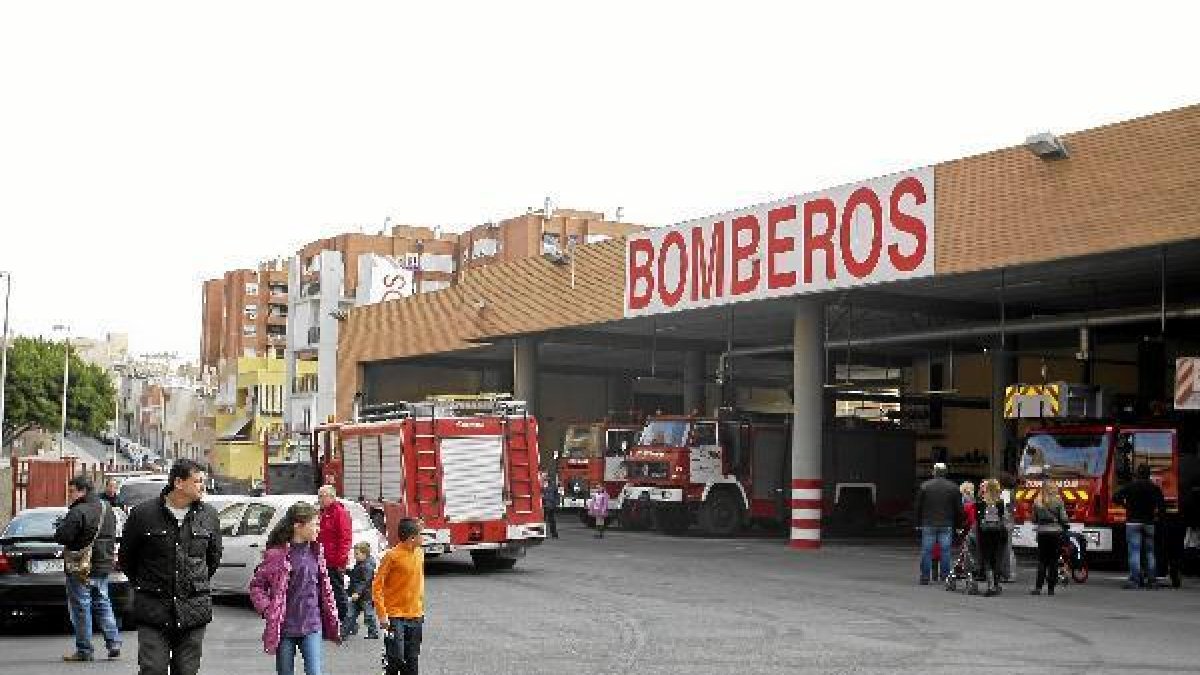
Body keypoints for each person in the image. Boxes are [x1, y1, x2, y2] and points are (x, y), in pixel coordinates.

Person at [120, 458, 223, 675]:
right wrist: (148, 584)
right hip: (153, 608)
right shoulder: (143, 515)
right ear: (178, 482)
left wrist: (192, 583)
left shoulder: (209, 516)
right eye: (197, 481)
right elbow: (127, 559)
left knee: (186, 671)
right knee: (153, 669)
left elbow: (212, 560)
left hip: (193, 609)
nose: (202, 486)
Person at [249, 502, 342, 675]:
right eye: (314, 524)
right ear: (298, 526)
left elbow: (325, 589)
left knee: (314, 672)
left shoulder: (317, 552)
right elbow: (257, 586)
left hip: (312, 625)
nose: (318, 529)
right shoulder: (276, 555)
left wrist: (333, 615)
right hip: (285, 629)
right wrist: (268, 610)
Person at [54, 475, 122, 662]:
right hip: (103, 563)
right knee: (103, 601)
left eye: (71, 491)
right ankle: (114, 642)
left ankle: (84, 649)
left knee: (81, 606)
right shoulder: (106, 508)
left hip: (81, 565)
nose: (70, 495)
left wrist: (60, 527)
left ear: (81, 491)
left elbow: (64, 537)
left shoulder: (78, 511)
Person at [373, 518, 426, 675]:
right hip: (395, 617)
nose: (424, 537)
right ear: (412, 538)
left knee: (412, 660)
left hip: (416, 615)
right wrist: (382, 615)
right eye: (421, 534)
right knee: (395, 660)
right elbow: (377, 586)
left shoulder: (420, 553)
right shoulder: (391, 556)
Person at [1114, 463, 1166, 589]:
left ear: (1137, 474)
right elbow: (1162, 507)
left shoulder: (1130, 486)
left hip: (1133, 522)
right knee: (1150, 552)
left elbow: (1115, 497)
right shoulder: (1155, 488)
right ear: (1149, 474)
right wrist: (1157, 515)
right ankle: (1152, 581)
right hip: (1149, 523)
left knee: (1134, 552)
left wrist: (1125, 505)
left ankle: (1135, 581)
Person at [914, 462, 961, 585]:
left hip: (928, 523)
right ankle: (945, 576)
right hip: (947, 523)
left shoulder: (924, 486)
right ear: (945, 472)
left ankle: (925, 577)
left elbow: (918, 506)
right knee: (945, 551)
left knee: (926, 551)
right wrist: (959, 525)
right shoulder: (954, 487)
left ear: (934, 472)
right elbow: (958, 509)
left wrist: (917, 522)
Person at [316, 485, 352, 623]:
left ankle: (346, 620)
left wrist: (340, 560)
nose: (319, 499)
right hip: (323, 558)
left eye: (322, 496)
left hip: (334, 560)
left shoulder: (339, 513)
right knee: (326, 591)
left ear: (331, 497)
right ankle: (331, 618)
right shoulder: (323, 512)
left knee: (337, 591)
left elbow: (345, 538)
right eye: (319, 496)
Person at [1030, 480, 1069, 596]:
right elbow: (1064, 518)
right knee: (1053, 561)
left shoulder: (1037, 501)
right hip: (1055, 533)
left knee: (1042, 561)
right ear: (1054, 488)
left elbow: (1033, 519)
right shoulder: (1058, 501)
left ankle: (1038, 588)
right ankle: (1051, 589)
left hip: (1042, 533)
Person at [974, 478, 1010, 597]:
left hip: (985, 534)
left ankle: (990, 585)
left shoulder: (980, 502)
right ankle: (996, 583)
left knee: (987, 559)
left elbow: (977, 520)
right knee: (997, 558)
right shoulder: (1000, 502)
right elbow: (1004, 518)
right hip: (998, 533)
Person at [342, 542, 380, 640]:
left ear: (364, 554)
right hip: (358, 595)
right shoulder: (361, 563)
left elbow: (364, 581)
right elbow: (356, 576)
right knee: (351, 614)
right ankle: (343, 633)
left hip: (365, 596)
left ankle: (373, 632)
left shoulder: (366, 566)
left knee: (368, 615)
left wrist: (357, 593)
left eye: (357, 554)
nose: (355, 556)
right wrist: (346, 571)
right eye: (355, 553)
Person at [541, 474, 559, 539]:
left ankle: (554, 534)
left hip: (550, 505)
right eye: (543, 477)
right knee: (543, 520)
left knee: (552, 520)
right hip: (543, 505)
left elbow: (556, 495)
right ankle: (544, 534)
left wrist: (556, 503)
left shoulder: (552, 485)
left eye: (545, 477)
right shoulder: (540, 485)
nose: (544, 479)